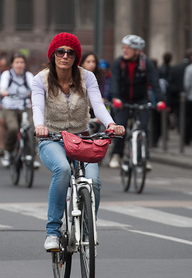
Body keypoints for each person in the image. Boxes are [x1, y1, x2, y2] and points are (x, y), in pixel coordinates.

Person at [32, 32, 125, 251]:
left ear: (76, 57)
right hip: (52, 138)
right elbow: (37, 107)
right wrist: (39, 126)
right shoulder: (41, 79)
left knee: (93, 182)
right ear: (53, 54)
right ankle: (53, 233)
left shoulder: (88, 77)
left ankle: (86, 231)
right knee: (63, 170)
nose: (65, 56)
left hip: (81, 138)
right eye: (60, 51)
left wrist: (110, 124)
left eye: (70, 52)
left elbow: (98, 105)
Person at [108, 35, 165, 169]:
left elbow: (154, 81)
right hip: (122, 99)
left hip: (141, 99)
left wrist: (161, 100)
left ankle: (144, 158)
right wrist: (115, 97)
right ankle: (116, 154)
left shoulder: (146, 63)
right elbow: (114, 81)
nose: (125, 50)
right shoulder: (119, 62)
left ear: (137, 51)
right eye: (124, 47)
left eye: (128, 48)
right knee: (120, 127)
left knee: (143, 128)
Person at [0, 53, 35, 167]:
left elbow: (34, 88)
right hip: (10, 106)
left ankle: (31, 156)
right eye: (17, 62)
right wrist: (4, 92)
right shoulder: (7, 75)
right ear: (12, 64)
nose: (19, 65)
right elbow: (2, 88)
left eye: (22, 62)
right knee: (13, 128)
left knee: (32, 129)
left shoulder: (28, 75)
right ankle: (8, 152)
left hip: (25, 105)